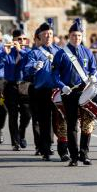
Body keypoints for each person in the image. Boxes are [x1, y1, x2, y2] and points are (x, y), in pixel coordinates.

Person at [52, 18, 97, 166]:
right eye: (74, 36)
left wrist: (93, 76)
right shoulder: (61, 54)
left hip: (85, 91)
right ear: (69, 36)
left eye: (79, 36)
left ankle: (84, 154)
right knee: (72, 124)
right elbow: (54, 75)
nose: (76, 38)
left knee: (87, 123)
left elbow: (93, 68)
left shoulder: (87, 52)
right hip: (69, 92)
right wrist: (61, 86)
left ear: (82, 36)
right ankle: (73, 156)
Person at [23, 19, 62, 161]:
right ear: (40, 36)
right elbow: (26, 71)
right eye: (45, 34)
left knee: (59, 121)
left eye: (50, 33)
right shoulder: (34, 53)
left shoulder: (59, 51)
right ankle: (45, 149)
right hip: (42, 91)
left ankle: (62, 148)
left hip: (57, 91)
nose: (48, 36)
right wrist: (34, 67)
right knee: (44, 120)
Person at [0, 29, 31, 150]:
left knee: (27, 114)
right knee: (13, 115)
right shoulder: (7, 52)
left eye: (23, 39)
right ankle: (15, 142)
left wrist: (20, 50)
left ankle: (21, 133)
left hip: (24, 86)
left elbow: (29, 61)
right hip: (10, 86)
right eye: (19, 39)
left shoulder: (27, 52)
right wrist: (3, 54)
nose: (21, 41)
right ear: (13, 40)